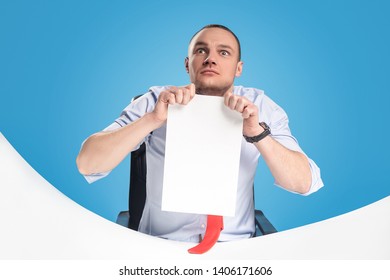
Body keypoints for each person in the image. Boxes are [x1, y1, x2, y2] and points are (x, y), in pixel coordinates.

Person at [76, 24, 324, 242]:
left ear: (239, 68)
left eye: (223, 52)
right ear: (187, 64)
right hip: (161, 248)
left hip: (237, 253)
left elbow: (304, 182)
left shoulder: (260, 106)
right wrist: (153, 119)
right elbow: (88, 163)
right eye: (200, 51)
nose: (210, 59)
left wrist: (258, 134)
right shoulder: (155, 99)